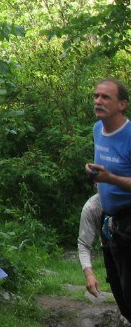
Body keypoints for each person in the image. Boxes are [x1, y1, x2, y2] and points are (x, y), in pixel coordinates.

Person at [87, 78, 131, 321]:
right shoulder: (97, 129)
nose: (98, 101)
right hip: (110, 220)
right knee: (118, 288)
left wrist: (110, 178)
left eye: (105, 97)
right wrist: (95, 173)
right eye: (96, 96)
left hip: (129, 218)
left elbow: (113, 175)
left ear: (122, 104)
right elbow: (107, 169)